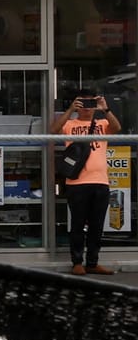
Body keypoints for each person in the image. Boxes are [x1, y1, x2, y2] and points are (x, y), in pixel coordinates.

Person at [57, 91, 122, 275]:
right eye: (83, 103)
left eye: (90, 103)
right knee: (77, 224)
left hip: (101, 181)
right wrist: (70, 110)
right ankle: (77, 262)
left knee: (97, 225)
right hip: (76, 182)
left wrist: (105, 108)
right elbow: (53, 131)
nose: (87, 107)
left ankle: (92, 262)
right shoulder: (70, 124)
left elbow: (117, 127)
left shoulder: (102, 123)